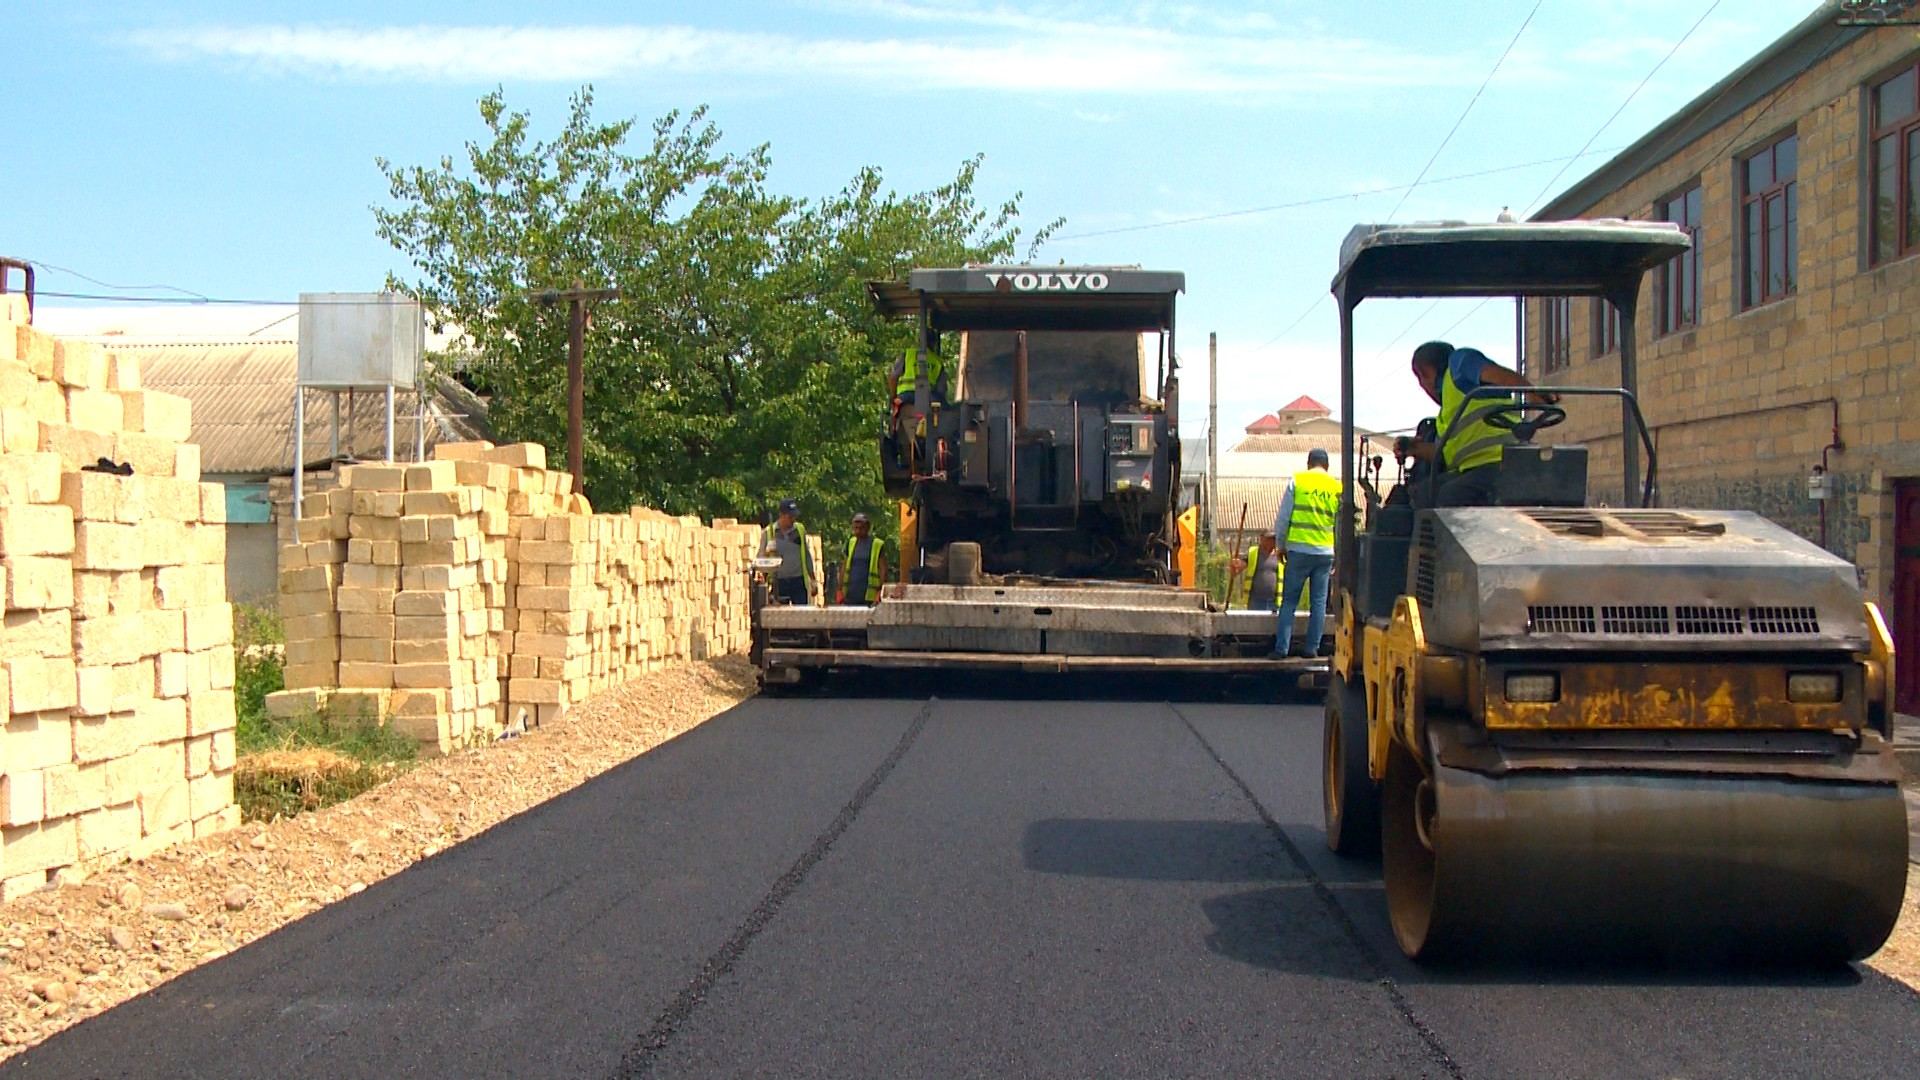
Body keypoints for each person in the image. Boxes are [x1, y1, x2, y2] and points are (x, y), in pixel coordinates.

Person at [1398, 341, 1556, 508]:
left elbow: (1498, 374)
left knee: (1449, 496)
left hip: (1501, 464)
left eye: (1421, 380)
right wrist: (1413, 449)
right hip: (1476, 469)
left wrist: (1531, 392)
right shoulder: (1450, 408)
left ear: (1424, 373)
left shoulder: (1459, 363)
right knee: (1423, 493)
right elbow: (1443, 454)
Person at [1270, 448, 1339, 659]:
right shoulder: (1337, 486)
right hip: (1325, 552)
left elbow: (1283, 518)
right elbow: (1341, 523)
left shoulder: (1298, 481)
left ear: (1309, 463)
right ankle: (1312, 648)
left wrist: (1280, 545)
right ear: (1326, 466)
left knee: (1289, 601)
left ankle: (1282, 649)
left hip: (1299, 551)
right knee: (1318, 602)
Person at [761, 499, 816, 606]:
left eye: (794, 516)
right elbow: (762, 559)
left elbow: (807, 555)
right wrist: (764, 584)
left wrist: (813, 580)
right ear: (781, 515)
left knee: (802, 616)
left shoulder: (799, 530)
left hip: (798, 581)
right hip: (779, 582)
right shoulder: (769, 533)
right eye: (790, 517)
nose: (793, 520)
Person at [837, 512, 890, 605]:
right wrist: (839, 590)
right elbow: (844, 567)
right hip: (850, 594)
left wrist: (880, 592)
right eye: (855, 528)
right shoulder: (850, 543)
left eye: (861, 528)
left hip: (869, 596)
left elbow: (883, 570)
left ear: (867, 528)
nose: (858, 531)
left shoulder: (877, 544)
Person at [1228, 534, 1280, 611]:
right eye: (1268, 539)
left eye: (1273, 539)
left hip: (1275, 601)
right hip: (1256, 601)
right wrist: (1235, 567)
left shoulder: (1280, 555)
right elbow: (1239, 566)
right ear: (1262, 539)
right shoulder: (1253, 553)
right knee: (1256, 622)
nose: (1271, 542)